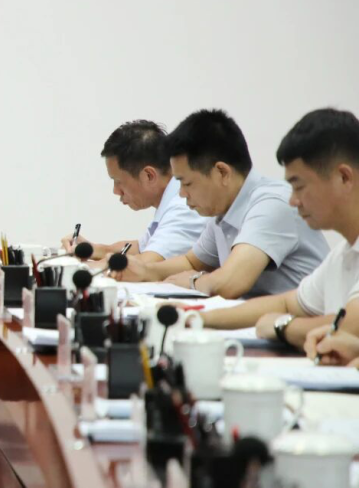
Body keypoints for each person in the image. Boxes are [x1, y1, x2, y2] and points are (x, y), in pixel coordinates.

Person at [115, 109, 328, 299]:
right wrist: (145, 271)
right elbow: (191, 262)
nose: (181, 194)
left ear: (222, 172)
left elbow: (230, 283)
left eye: (187, 183)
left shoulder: (271, 204)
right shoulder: (223, 212)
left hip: (308, 326)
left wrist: (193, 280)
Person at [196, 109, 359, 347]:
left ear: (343, 177)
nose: (293, 201)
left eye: (299, 186)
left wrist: (281, 325)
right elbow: (286, 304)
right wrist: (197, 319)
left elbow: (349, 328)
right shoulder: (343, 255)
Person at [62, 120, 207, 263]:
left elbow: (146, 264)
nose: (115, 191)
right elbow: (140, 248)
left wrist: (73, 268)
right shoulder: (171, 200)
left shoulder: (185, 207)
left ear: (149, 176)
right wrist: (91, 249)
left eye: (118, 181)